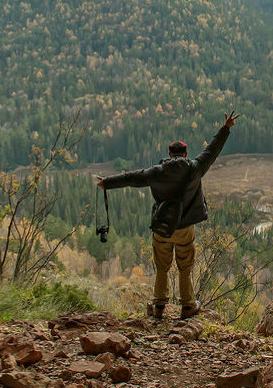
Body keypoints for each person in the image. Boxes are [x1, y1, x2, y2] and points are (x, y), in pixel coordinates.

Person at [97, 110, 239, 319]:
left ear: (170, 154)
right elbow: (212, 150)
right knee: (185, 267)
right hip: (185, 228)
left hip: (162, 227)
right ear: (185, 153)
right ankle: (188, 305)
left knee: (162, 267)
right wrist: (225, 128)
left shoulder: (157, 172)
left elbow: (131, 178)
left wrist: (106, 182)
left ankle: (159, 306)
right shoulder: (195, 169)